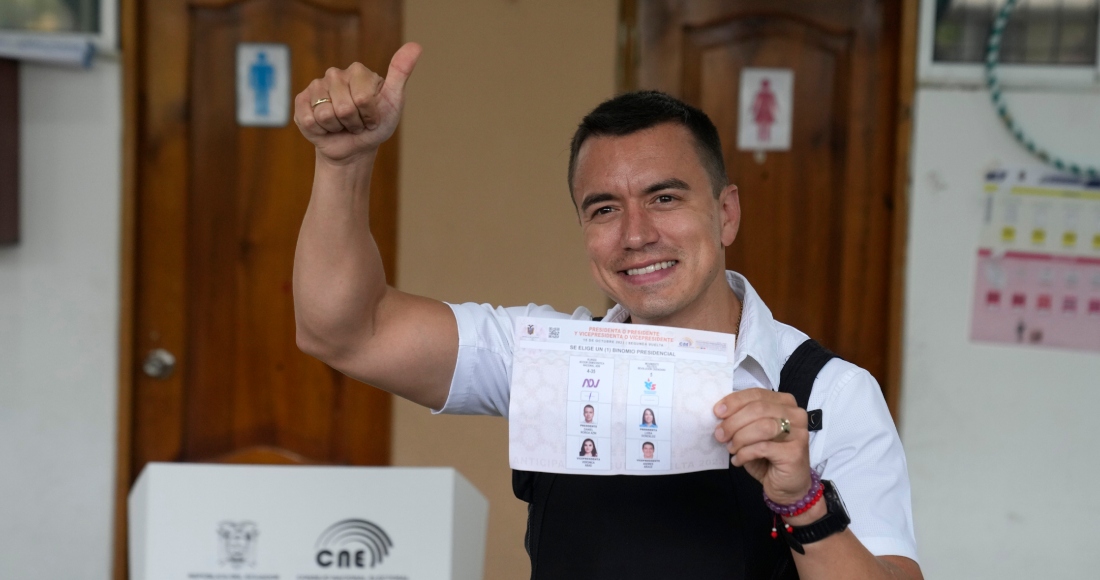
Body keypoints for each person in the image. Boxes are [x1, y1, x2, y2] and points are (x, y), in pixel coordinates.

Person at [292, 43, 922, 580]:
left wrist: (804, 502)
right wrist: (343, 163)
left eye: (665, 197)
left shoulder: (830, 394)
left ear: (726, 213)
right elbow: (346, 331)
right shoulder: (545, 361)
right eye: (604, 209)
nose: (636, 234)